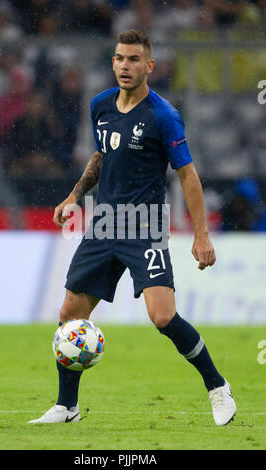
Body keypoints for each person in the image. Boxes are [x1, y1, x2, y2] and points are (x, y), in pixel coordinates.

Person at [28, 30, 236, 426]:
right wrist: (74, 195)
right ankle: (66, 406)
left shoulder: (164, 116)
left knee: (162, 317)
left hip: (146, 229)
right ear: (113, 62)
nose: (126, 65)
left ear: (149, 66)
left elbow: (188, 176)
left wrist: (201, 234)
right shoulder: (100, 106)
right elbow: (102, 154)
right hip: (104, 224)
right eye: (120, 58)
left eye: (135, 59)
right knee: (70, 313)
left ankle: (217, 386)